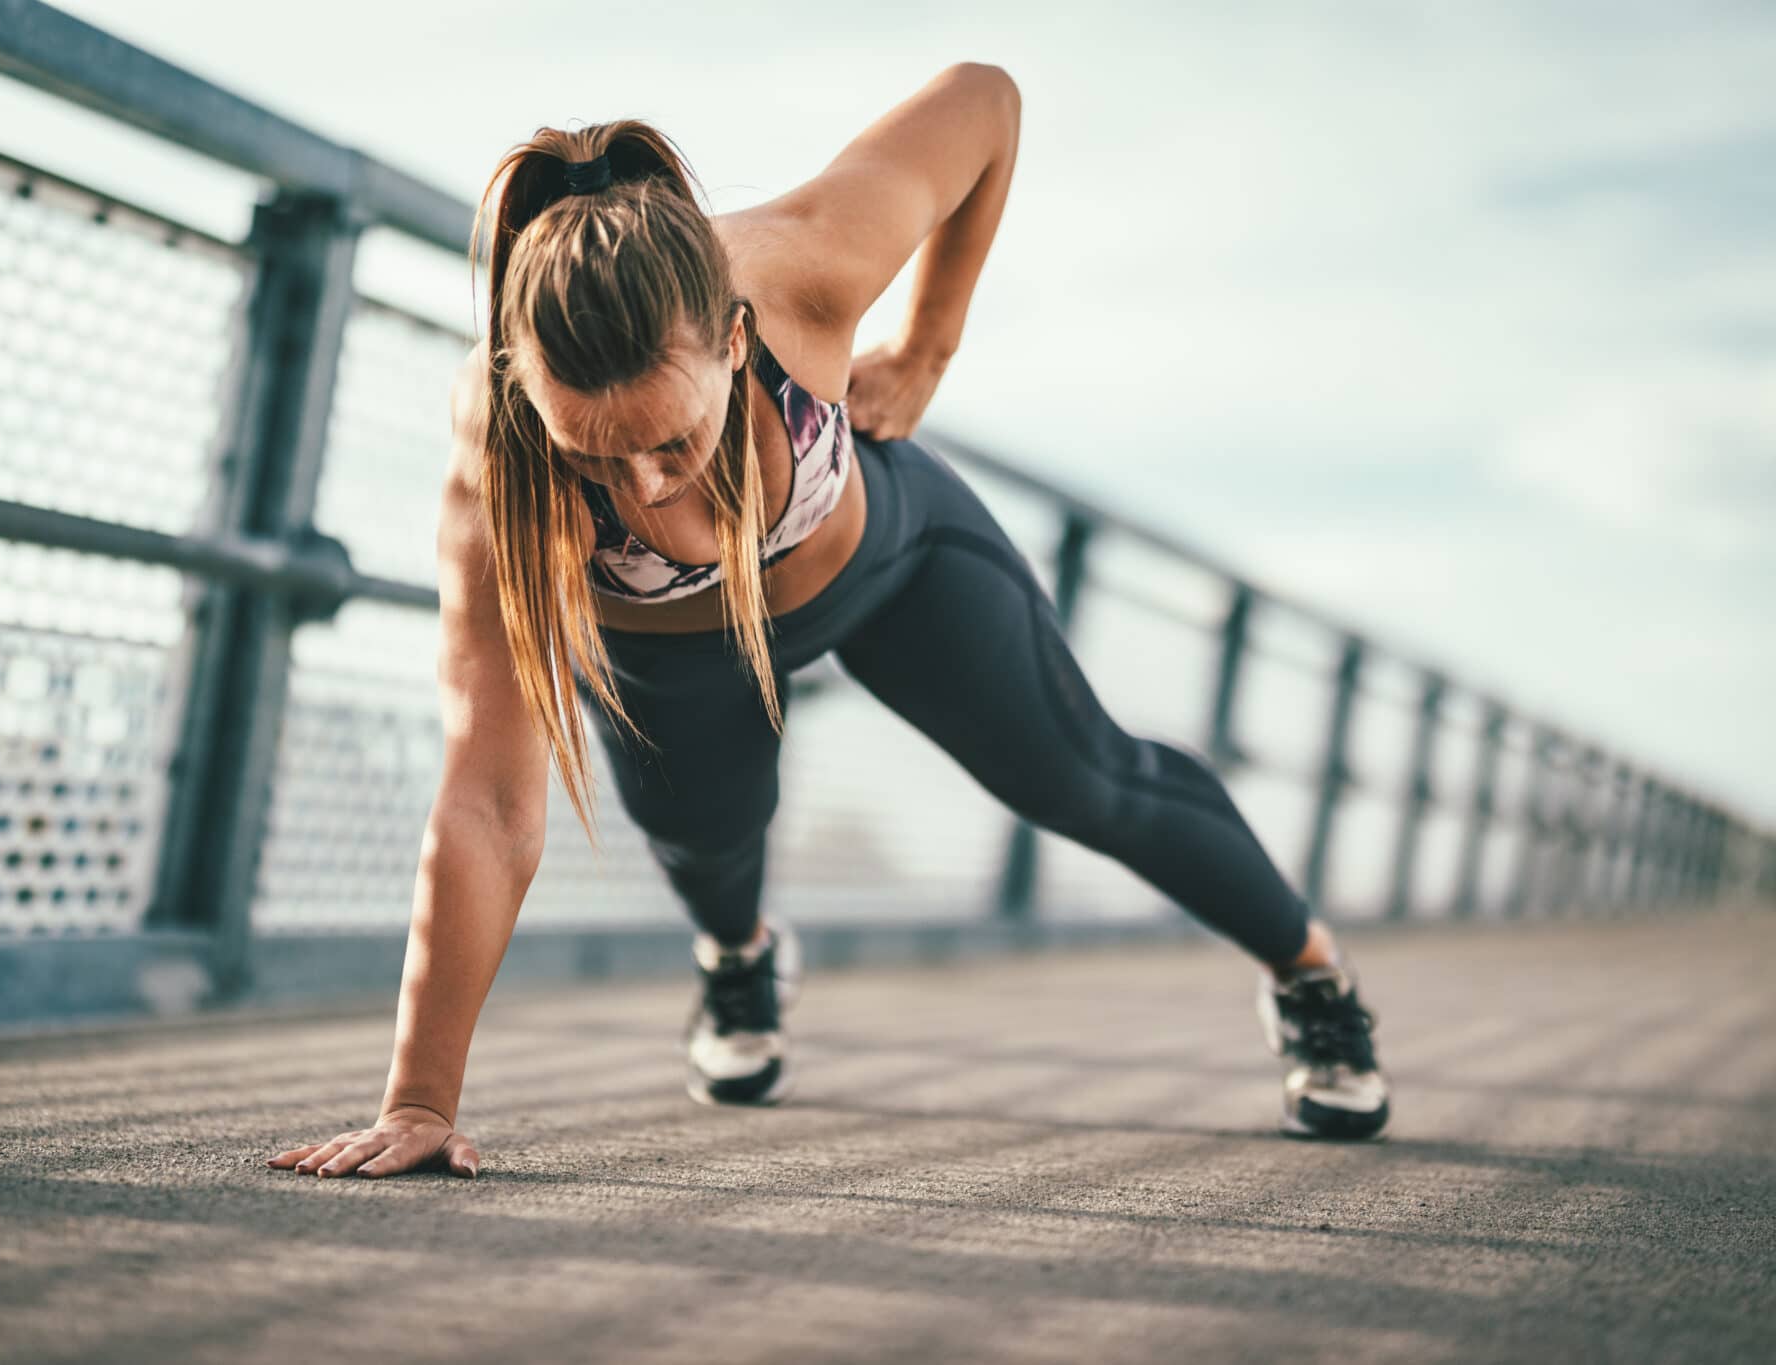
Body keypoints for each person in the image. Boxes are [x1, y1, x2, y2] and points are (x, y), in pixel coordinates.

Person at [269, 64, 1388, 1182]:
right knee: (708, 841)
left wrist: (927, 349)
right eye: (593, 457)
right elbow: (489, 797)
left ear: (734, 337)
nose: (645, 490)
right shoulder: (500, 452)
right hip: (674, 659)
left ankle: (1313, 978)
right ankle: (741, 959)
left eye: (672, 440)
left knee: (1081, 778)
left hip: (888, 566)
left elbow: (986, 100)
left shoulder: (804, 260)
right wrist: (418, 1099)